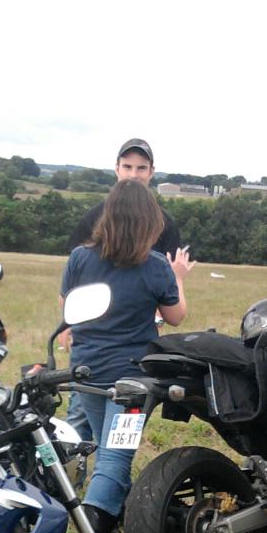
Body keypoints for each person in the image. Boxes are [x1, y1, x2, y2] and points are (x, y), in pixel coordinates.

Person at [61, 179, 193, 533]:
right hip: (132, 381)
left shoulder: (79, 258)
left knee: (109, 449)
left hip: (86, 372)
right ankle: (93, 532)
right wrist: (178, 278)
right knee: (115, 457)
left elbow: (68, 311)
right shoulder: (154, 266)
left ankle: (130, 514)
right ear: (149, 222)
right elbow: (176, 316)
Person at [63, 138, 183, 441]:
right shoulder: (93, 218)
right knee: (83, 422)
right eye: (127, 167)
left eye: (141, 168)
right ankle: (68, 477)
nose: (133, 174)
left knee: (112, 448)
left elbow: (166, 290)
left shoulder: (164, 224)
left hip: (131, 340)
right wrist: (68, 325)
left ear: (152, 172)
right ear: (116, 169)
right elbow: (74, 279)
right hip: (96, 341)